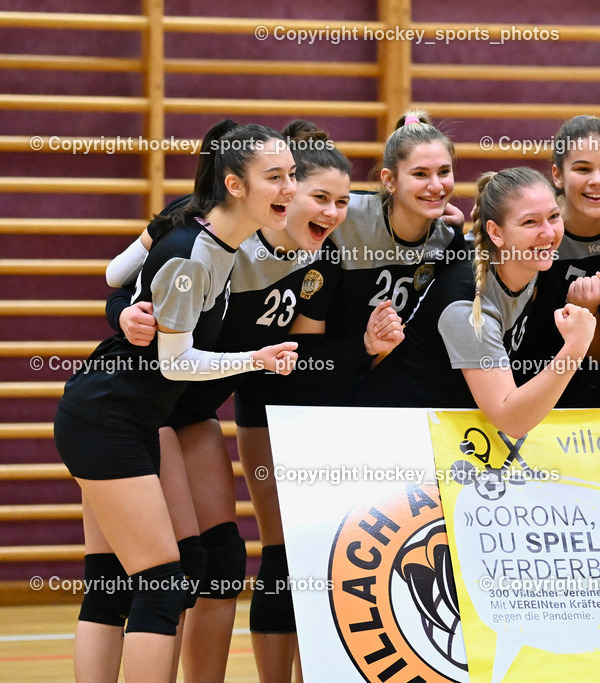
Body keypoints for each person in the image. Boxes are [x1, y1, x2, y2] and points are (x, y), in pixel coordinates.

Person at [107, 120, 394, 681]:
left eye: (341, 202)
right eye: (312, 195)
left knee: (224, 560)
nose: (333, 213)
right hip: (145, 406)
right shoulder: (221, 236)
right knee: (176, 568)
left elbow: (303, 355)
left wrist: (441, 223)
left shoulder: (317, 255)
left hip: (194, 410)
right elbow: (124, 281)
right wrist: (121, 314)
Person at [53, 120, 299, 683]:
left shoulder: (208, 233)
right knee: (164, 584)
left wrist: (130, 306)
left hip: (128, 415)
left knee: (112, 581)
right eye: (275, 177)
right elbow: (176, 364)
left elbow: (119, 275)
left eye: (291, 175)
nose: (289, 188)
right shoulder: (194, 253)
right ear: (234, 185)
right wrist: (256, 358)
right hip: (107, 416)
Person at [364, 167, 596, 438]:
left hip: (449, 430)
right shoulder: (468, 307)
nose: (548, 232)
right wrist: (575, 348)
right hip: (392, 432)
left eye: (554, 216)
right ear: (496, 233)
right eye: (530, 222)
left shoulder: (527, 261)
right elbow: (511, 420)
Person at [320, 111, 466, 403]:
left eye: (444, 172)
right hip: (313, 373)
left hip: (379, 383)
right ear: (389, 179)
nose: (436, 186)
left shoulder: (448, 240)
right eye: (420, 174)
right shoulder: (344, 217)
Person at [511, 116, 600, 407]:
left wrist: (588, 312)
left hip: (599, 395)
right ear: (558, 175)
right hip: (524, 386)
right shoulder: (533, 232)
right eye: (583, 169)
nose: (597, 180)